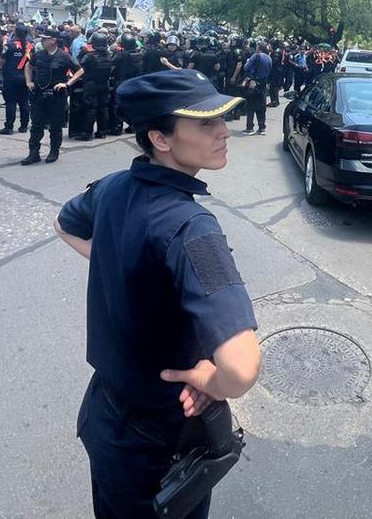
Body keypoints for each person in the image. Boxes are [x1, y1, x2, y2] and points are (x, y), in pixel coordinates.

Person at [54, 69, 259, 519]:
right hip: (159, 441)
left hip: (106, 420)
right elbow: (241, 369)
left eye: (222, 119)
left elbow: (65, 224)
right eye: (205, 123)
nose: (224, 131)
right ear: (160, 139)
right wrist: (210, 379)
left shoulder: (113, 187)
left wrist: (126, 266)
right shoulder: (191, 227)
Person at [22, 29, 82, 165]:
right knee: (36, 126)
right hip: (39, 94)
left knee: (55, 126)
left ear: (53, 40)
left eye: (45, 39)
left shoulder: (64, 56)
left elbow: (80, 70)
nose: (42, 41)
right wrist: (28, 81)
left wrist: (67, 83)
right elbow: (28, 66)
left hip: (56, 96)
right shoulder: (38, 55)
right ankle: (33, 153)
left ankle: (54, 151)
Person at [77, 32, 115, 141]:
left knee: (90, 108)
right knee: (103, 108)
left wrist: (82, 53)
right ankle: (102, 131)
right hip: (104, 84)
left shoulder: (89, 56)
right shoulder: (109, 55)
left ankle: (87, 133)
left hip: (91, 84)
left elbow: (79, 64)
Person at [0, 23, 33, 135]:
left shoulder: (9, 45)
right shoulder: (30, 46)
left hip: (11, 77)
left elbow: (2, 61)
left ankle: (9, 126)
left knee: (11, 102)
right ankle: (24, 125)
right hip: (26, 77)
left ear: (16, 32)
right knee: (24, 102)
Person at [237, 41, 272, 135]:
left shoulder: (256, 56)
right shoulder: (269, 58)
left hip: (253, 83)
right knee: (261, 106)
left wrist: (248, 62)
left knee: (250, 106)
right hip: (263, 84)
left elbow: (246, 68)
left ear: (259, 47)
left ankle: (249, 128)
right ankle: (261, 127)